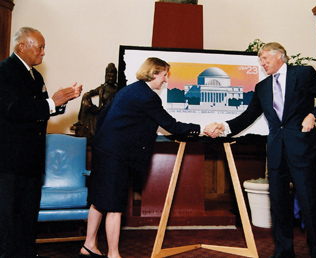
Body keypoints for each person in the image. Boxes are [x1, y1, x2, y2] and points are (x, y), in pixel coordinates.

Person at [207, 42, 316, 258]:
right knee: (278, 206)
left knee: (310, 204)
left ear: (280, 56)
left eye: (266, 58)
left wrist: (314, 115)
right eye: (261, 60)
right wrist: (224, 127)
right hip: (276, 152)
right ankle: (284, 252)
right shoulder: (263, 87)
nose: (262, 63)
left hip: (303, 149)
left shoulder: (303, 73)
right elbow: (248, 116)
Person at [79, 57, 217, 258]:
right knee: (115, 207)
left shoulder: (128, 90)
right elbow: (172, 126)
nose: (166, 81)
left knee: (98, 201)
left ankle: (89, 245)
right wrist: (202, 129)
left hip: (102, 151)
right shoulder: (147, 97)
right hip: (116, 157)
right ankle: (113, 254)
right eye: (164, 75)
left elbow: (102, 117)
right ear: (154, 73)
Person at [0, 27, 82, 258]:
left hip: (32, 161)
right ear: (21, 46)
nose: (43, 53)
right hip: (10, 162)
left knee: (27, 217)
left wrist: (61, 101)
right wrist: (51, 103)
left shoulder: (35, 76)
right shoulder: (4, 71)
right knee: (7, 219)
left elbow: (40, 111)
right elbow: (14, 110)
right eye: (40, 47)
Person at [74, 63, 118, 137]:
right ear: (106, 76)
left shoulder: (118, 89)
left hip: (113, 113)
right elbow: (90, 93)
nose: (110, 78)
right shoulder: (102, 88)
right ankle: (82, 123)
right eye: (109, 76)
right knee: (86, 105)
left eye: (113, 77)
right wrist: (87, 97)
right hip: (102, 112)